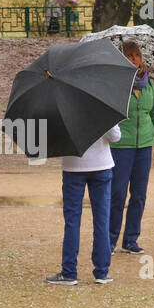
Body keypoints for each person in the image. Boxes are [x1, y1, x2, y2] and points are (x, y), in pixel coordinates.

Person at [109, 41, 154, 256]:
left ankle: (131, 239)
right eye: (129, 55)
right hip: (121, 146)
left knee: (139, 195)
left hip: (144, 146)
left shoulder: (148, 83)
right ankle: (110, 238)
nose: (134, 59)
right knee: (117, 194)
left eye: (136, 55)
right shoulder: (115, 83)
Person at [47, 121, 121, 285]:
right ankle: (102, 271)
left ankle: (69, 272)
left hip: (73, 166)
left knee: (72, 221)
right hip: (102, 166)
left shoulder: (62, 110)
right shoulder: (102, 106)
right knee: (102, 220)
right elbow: (116, 136)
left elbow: (55, 141)